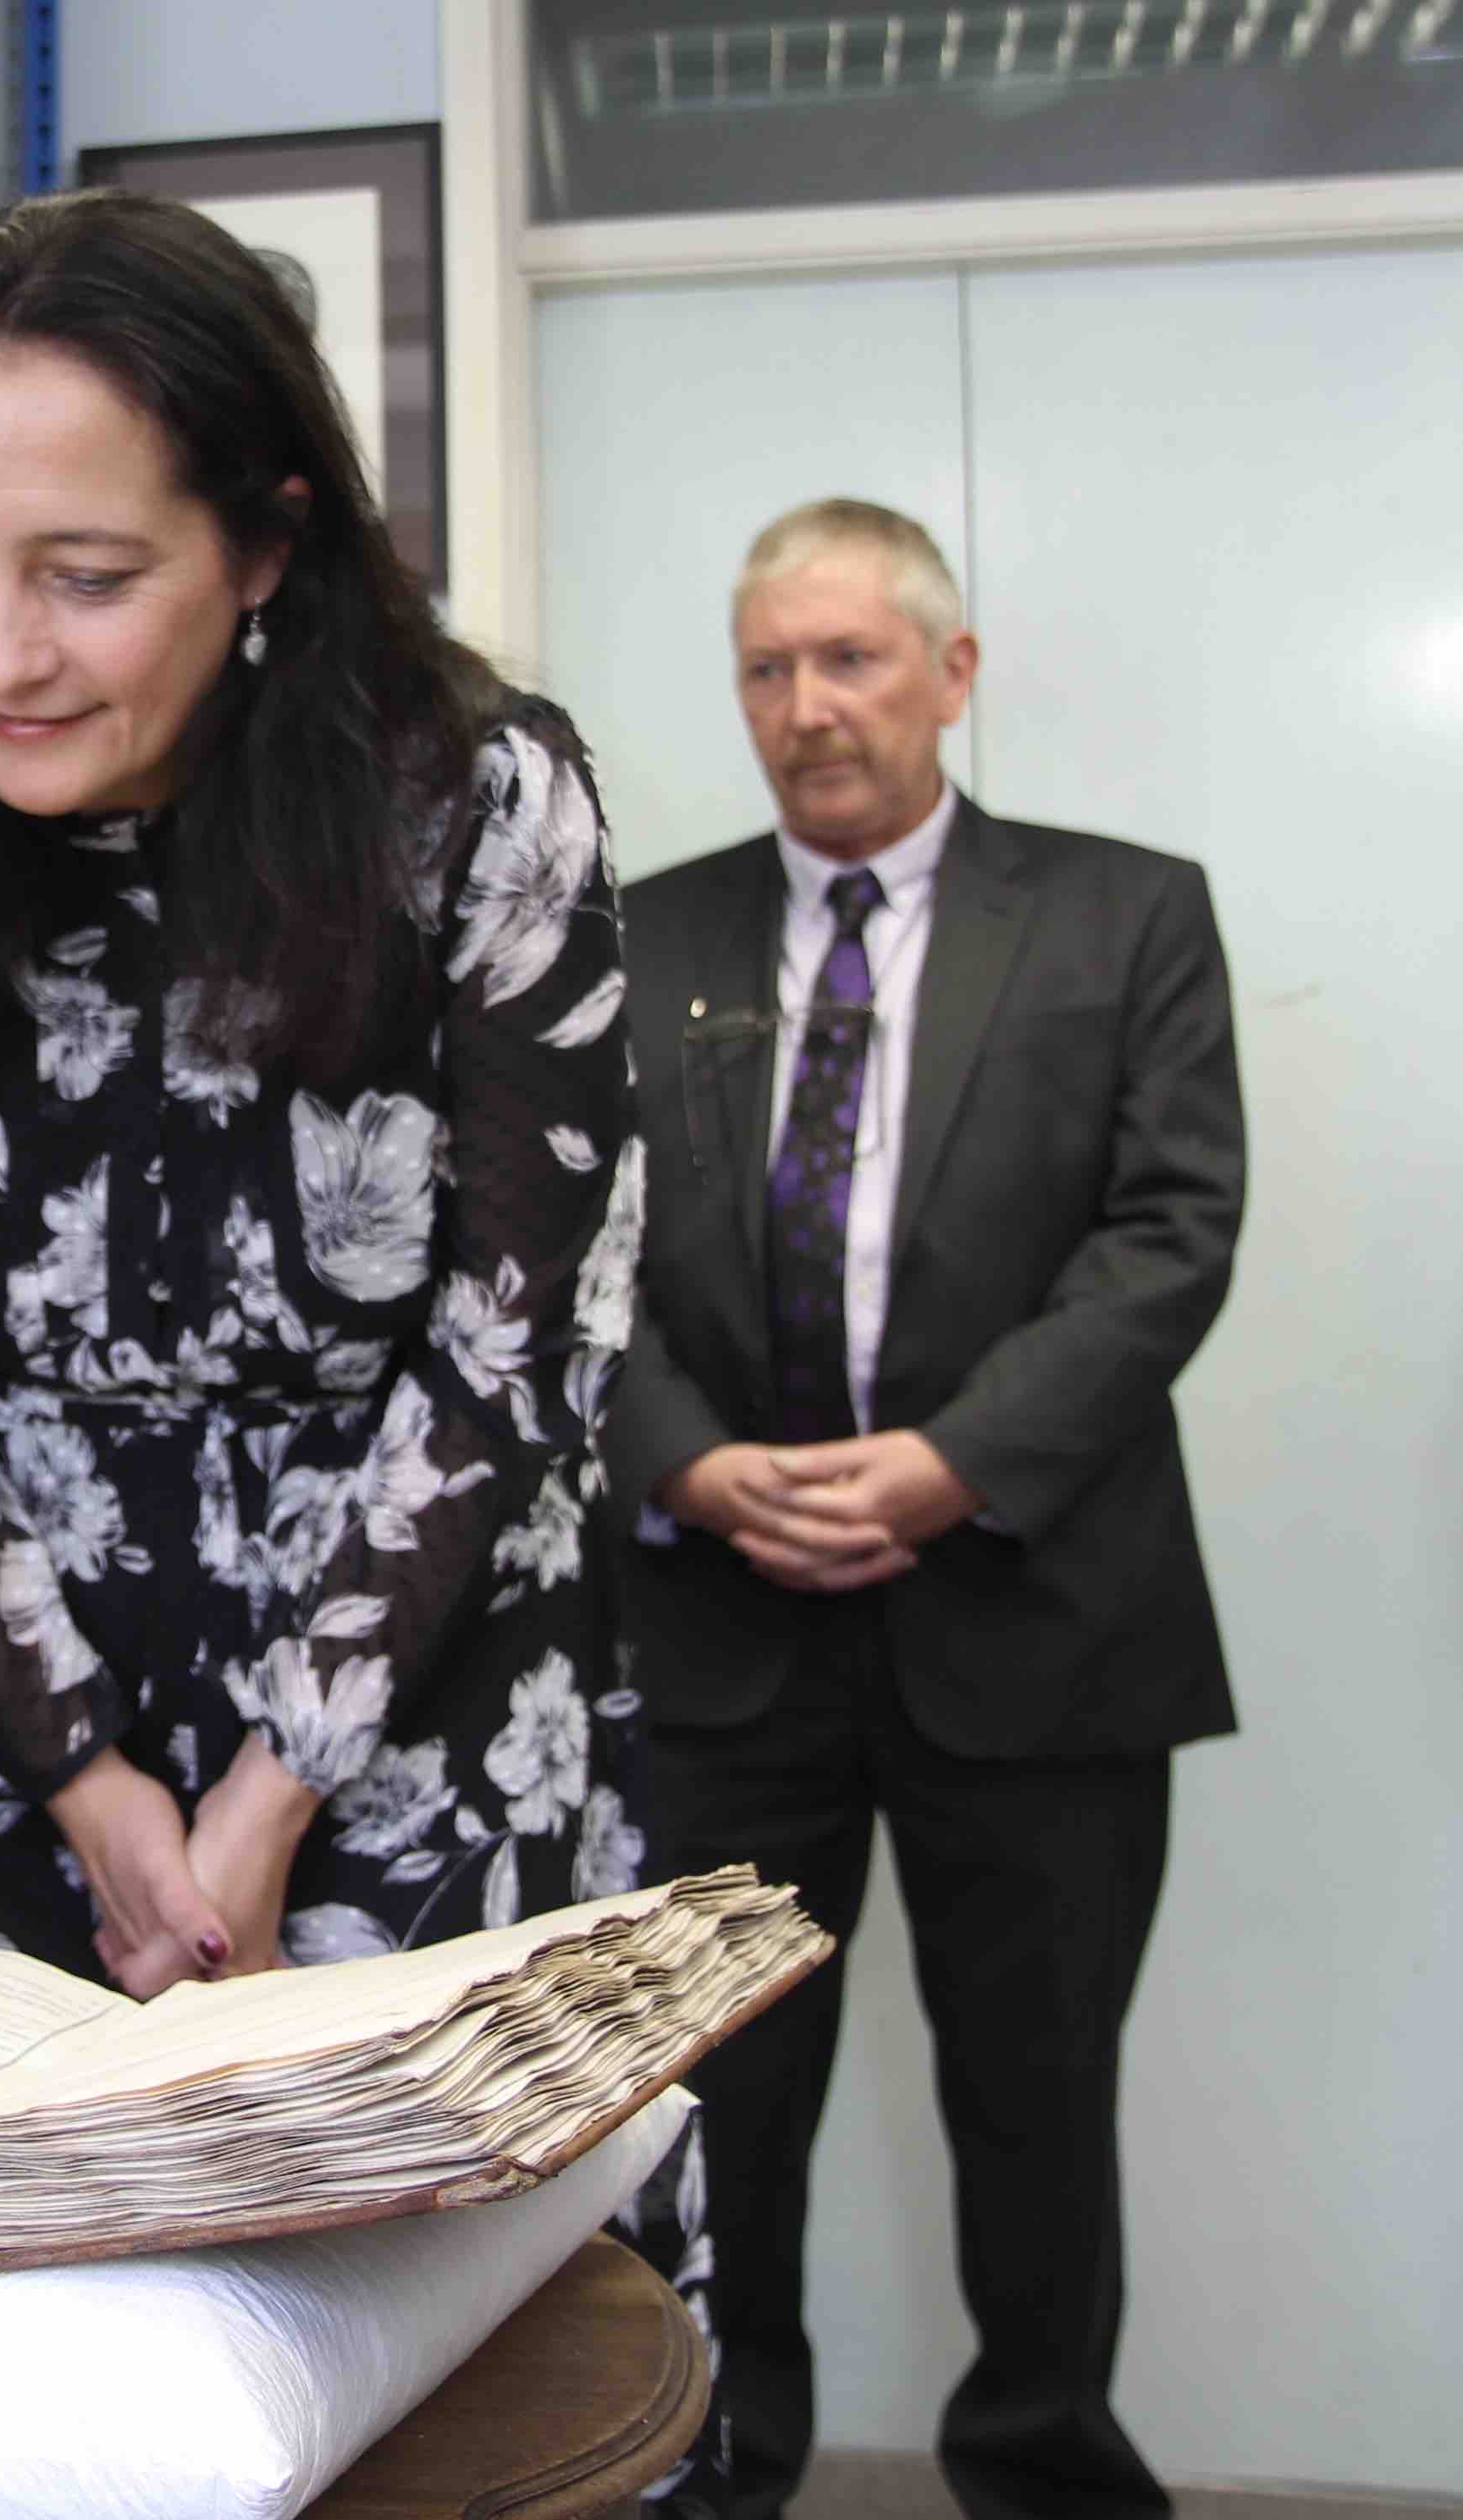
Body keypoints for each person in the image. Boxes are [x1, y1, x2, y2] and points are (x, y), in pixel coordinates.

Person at [0, 192, 649, 2017]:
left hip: (410, 1725)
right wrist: (80, 1772)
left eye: (85, 576)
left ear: (263, 548)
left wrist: (273, 1791)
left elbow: (525, 1336)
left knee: (427, 2294)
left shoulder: (476, 808)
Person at [609, 499, 1242, 2520]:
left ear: (952, 674)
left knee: (1039, 2106)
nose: (808, 709)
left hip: (1038, 1616)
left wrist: (954, 1463)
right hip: (722, 1634)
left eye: (851, 660)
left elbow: (1172, 1234)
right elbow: (555, 1259)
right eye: (768, 670)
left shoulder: (1125, 917)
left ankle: (1048, 2474)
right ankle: (720, 2465)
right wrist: (690, 1461)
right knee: (716, 2113)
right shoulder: (641, 937)